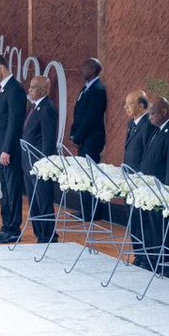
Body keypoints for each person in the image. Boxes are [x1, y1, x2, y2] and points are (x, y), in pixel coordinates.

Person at [138, 96, 169, 279]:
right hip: (152, 191)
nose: (150, 117)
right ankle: (158, 263)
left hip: (163, 192)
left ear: (164, 112)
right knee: (155, 230)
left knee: (167, 231)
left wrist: (168, 193)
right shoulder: (159, 129)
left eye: (152, 114)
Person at [0, 54, 27, 243]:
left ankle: (13, 229)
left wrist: (6, 149)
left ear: (1, 68)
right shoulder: (3, 90)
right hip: (0, 149)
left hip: (9, 152)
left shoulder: (15, 90)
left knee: (12, 190)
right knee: (3, 191)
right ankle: (6, 226)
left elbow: (14, 123)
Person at [21, 75, 59, 243]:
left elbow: (48, 140)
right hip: (28, 162)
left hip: (39, 165)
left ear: (43, 90)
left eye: (33, 87)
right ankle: (39, 234)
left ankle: (48, 236)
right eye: (30, 87)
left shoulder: (47, 108)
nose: (29, 90)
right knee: (34, 201)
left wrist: (44, 165)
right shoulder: (34, 107)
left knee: (43, 200)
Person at [69, 58, 108, 222]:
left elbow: (91, 118)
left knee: (90, 175)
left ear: (92, 70)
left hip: (91, 140)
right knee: (84, 174)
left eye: (84, 66)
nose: (80, 68)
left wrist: (78, 137)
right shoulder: (85, 89)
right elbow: (78, 113)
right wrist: (73, 131)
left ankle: (93, 212)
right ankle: (85, 210)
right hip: (83, 139)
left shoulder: (98, 90)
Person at [121, 90, 153, 264]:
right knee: (133, 220)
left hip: (140, 181)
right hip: (129, 180)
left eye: (130, 104)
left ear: (141, 106)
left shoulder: (148, 124)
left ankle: (145, 258)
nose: (125, 107)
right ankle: (138, 255)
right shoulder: (131, 123)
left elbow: (146, 154)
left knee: (142, 221)